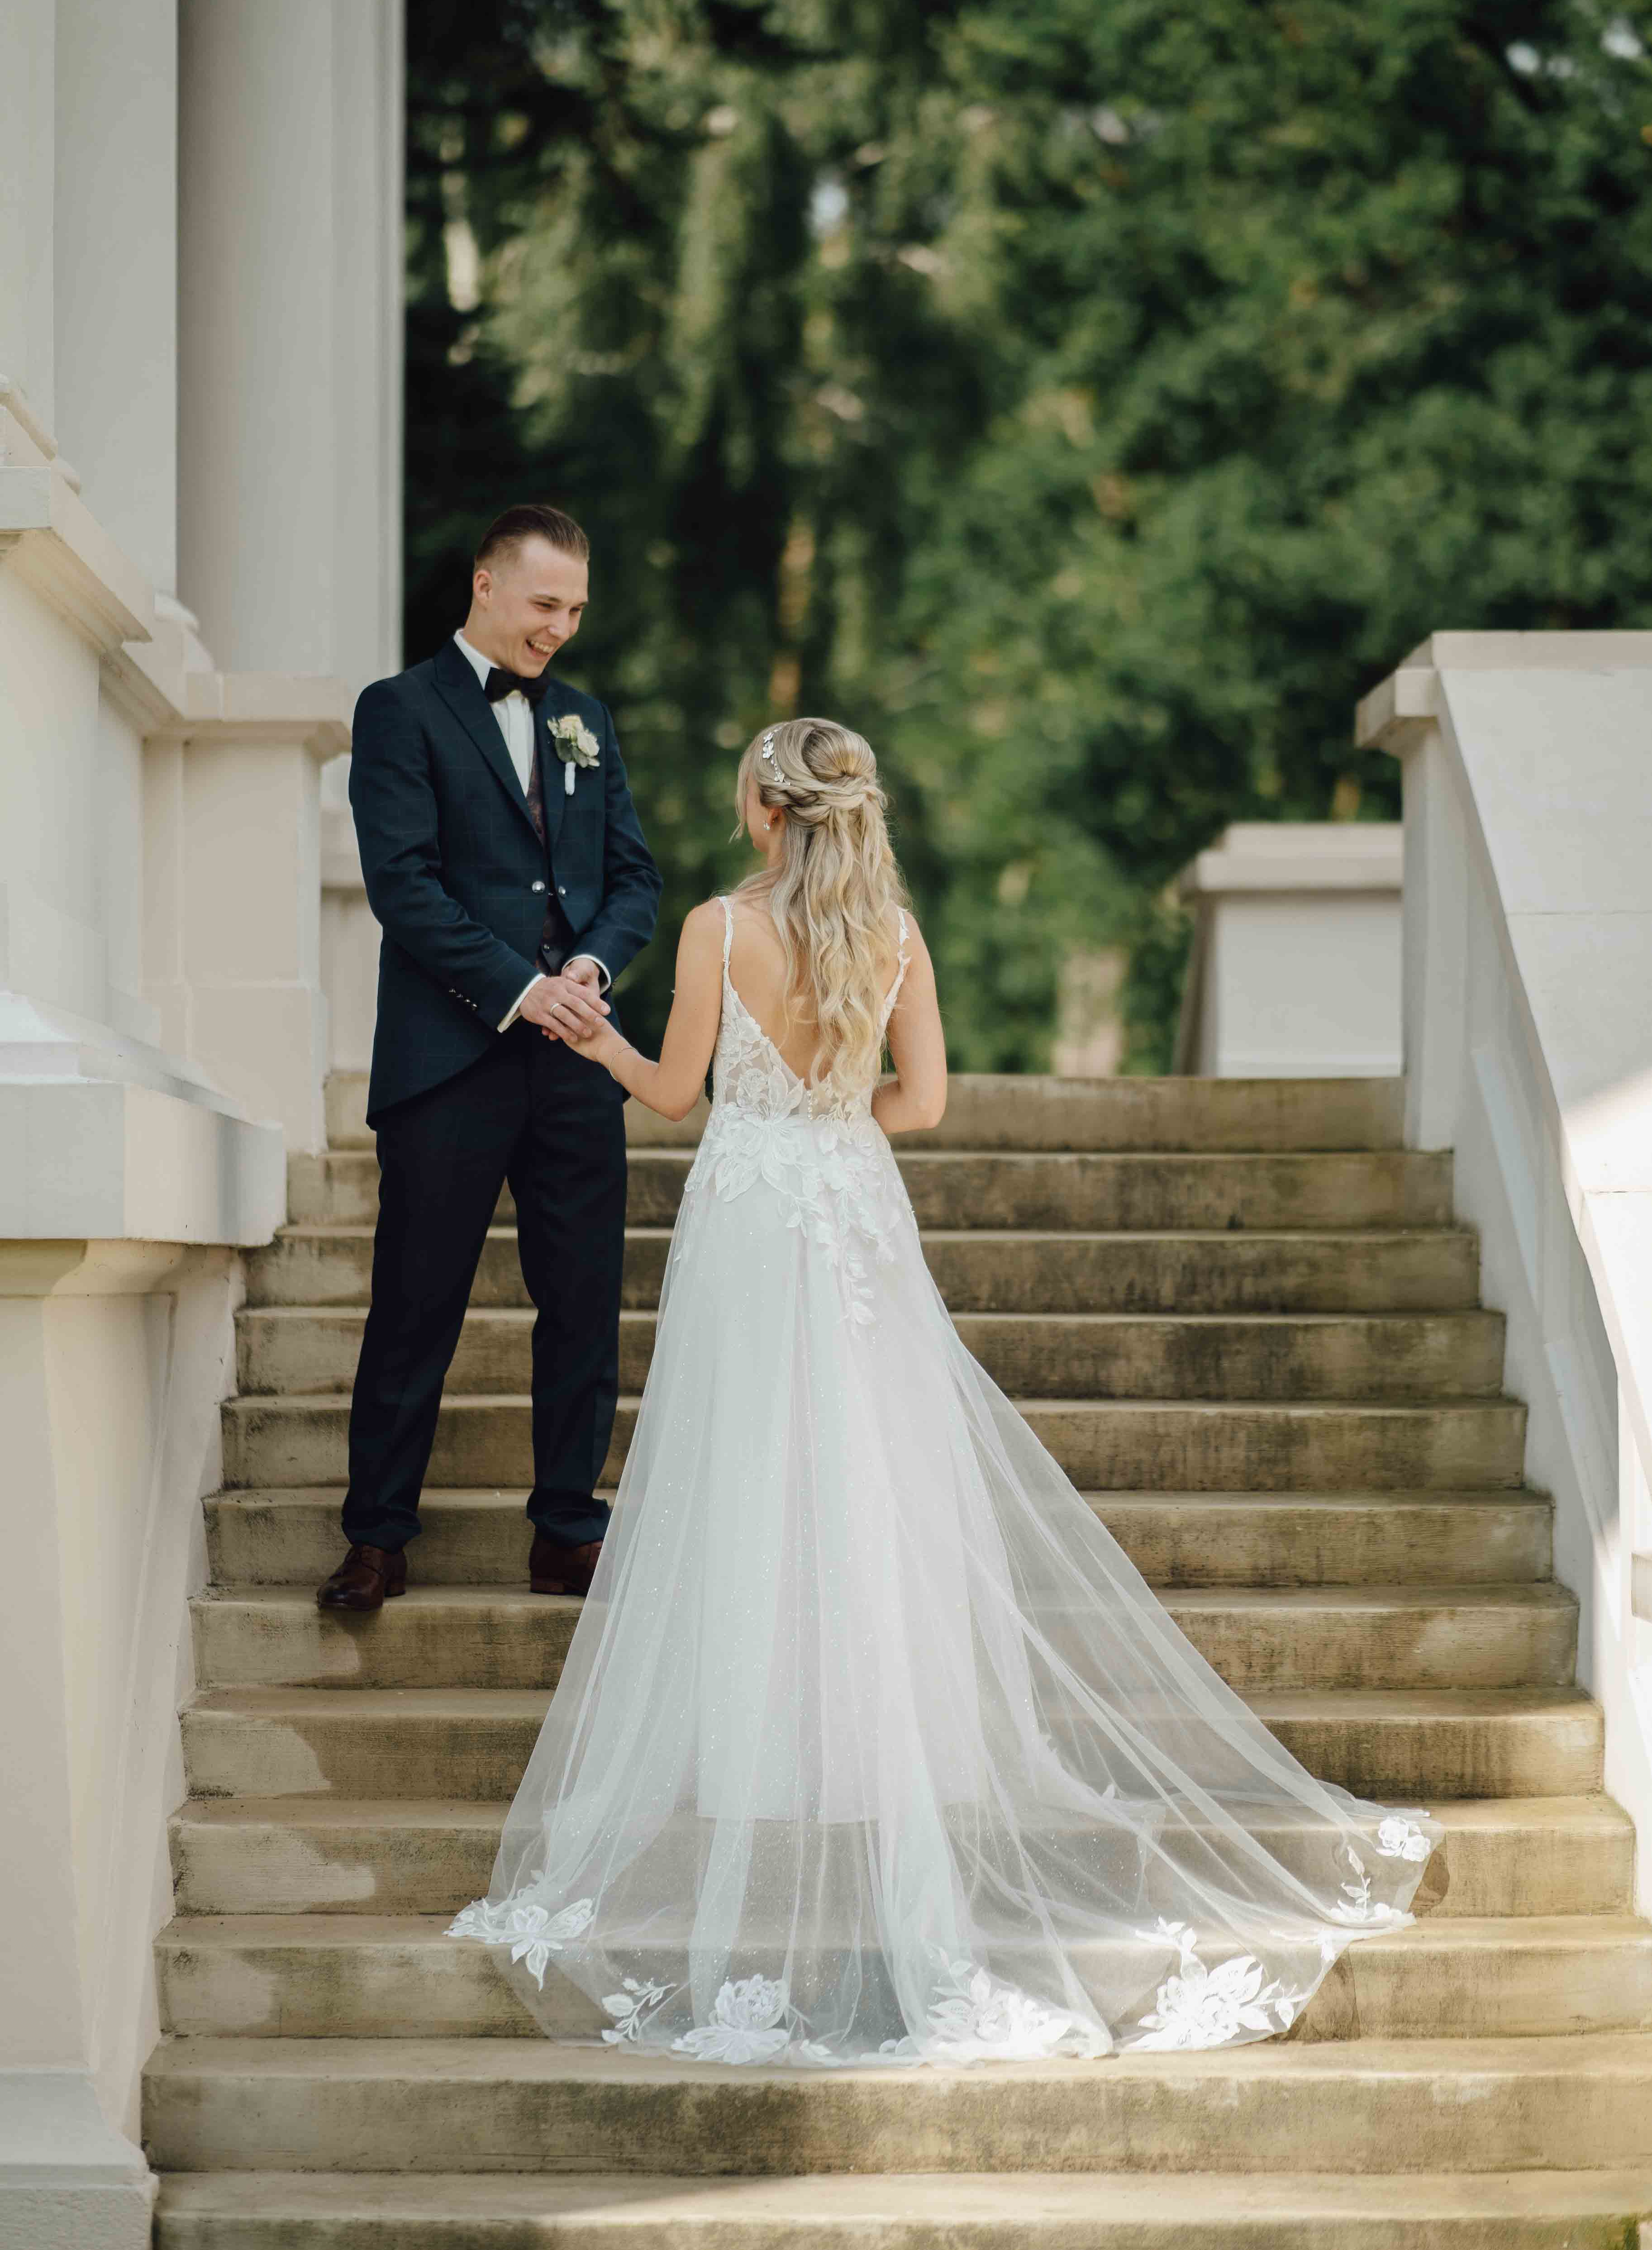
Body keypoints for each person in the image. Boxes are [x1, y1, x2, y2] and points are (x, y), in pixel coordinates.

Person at [448, 717, 1438, 2065]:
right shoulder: (891, 931)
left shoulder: (713, 930)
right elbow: (923, 1106)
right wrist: (831, 1108)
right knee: (874, 1473)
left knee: (750, 1474)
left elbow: (673, 1097)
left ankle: (762, 1757)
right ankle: (878, 1741)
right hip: (851, 1202)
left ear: (762, 810)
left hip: (748, 1217)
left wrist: (594, 1039)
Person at [317, 504, 662, 1615]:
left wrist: (591, 979)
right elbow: (403, 885)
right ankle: (376, 1537)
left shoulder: (584, 721)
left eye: (575, 610)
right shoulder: (399, 712)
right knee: (417, 1301)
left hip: (575, 1061)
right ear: (484, 587)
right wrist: (522, 988)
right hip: (448, 1060)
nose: (559, 628)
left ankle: (568, 1531)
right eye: (543, 604)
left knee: (582, 1304)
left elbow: (633, 882)